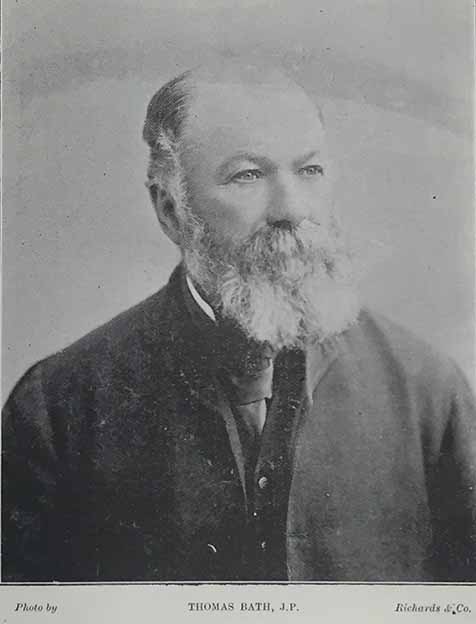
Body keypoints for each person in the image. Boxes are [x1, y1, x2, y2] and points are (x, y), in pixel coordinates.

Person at [2, 61, 475, 583]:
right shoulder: (58, 409)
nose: (292, 208)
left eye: (310, 170)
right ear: (171, 210)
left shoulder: (428, 392)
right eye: (248, 175)